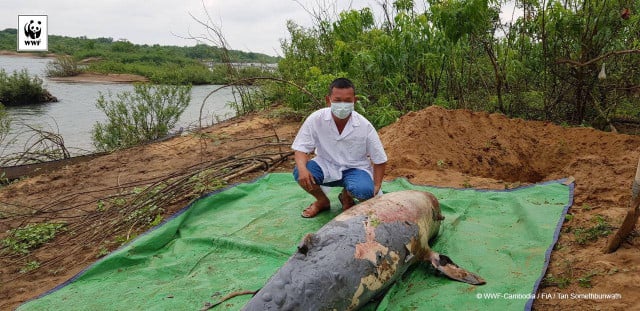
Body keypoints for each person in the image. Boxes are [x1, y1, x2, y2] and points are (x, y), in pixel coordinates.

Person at [291, 77, 388, 218]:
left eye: (348, 101)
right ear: (328, 100)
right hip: (326, 165)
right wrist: (302, 169)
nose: (342, 105)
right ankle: (322, 201)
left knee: (365, 191)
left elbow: (379, 159)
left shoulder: (364, 125)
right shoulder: (316, 119)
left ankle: (347, 195)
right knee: (300, 172)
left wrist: (377, 185)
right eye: (337, 100)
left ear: (354, 101)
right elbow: (301, 148)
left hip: (356, 169)